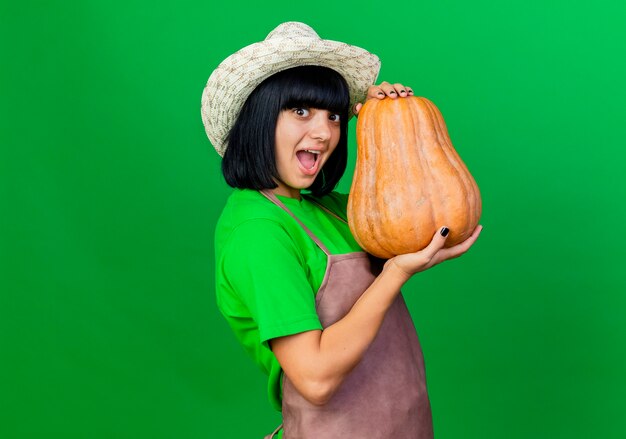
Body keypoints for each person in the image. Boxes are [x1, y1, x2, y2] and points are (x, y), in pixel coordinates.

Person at [201, 22, 482, 439]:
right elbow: (314, 380)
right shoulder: (257, 230)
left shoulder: (329, 209)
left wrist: (385, 116)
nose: (324, 132)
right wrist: (395, 275)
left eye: (333, 115)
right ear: (257, 118)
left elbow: (428, 220)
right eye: (299, 111)